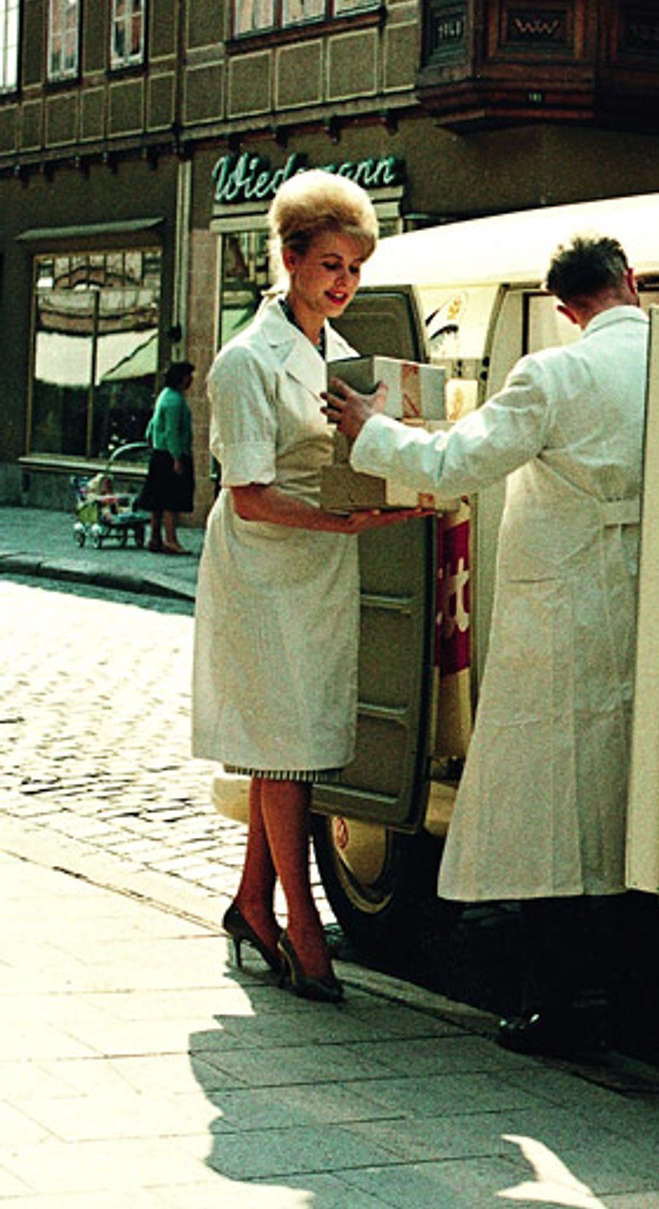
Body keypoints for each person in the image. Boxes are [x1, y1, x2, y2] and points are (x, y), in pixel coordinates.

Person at [324, 233, 648, 1058]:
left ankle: (564, 1003)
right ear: (630, 282)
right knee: (627, 793)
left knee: (547, 805)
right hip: (646, 603)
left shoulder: (555, 373)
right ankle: (625, 986)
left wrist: (369, 428)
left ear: (567, 308)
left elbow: (456, 461)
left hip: (563, 608)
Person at [193, 170, 426, 1003]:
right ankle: (300, 923)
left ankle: (254, 902)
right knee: (285, 749)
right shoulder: (244, 361)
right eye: (331, 265)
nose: (344, 283)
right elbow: (249, 495)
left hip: (320, 560)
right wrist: (344, 525)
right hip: (265, 564)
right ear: (288, 258)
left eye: (355, 269)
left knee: (287, 745)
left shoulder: (333, 352)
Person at [135, 361, 196, 554]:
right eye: (189, 375)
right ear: (182, 378)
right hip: (171, 455)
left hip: (160, 454)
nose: (191, 380)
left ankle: (154, 538)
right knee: (171, 499)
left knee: (158, 500)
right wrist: (177, 458)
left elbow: (152, 426)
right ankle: (171, 540)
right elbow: (172, 431)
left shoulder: (164, 396)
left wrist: (153, 442)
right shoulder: (175, 401)